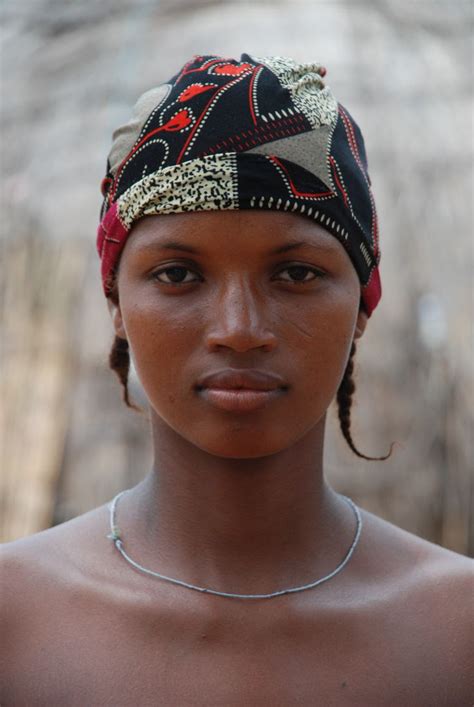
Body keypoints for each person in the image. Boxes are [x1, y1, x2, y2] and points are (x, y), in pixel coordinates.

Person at [1, 53, 472, 706]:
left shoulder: (455, 632)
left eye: (297, 273)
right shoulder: (15, 623)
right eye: (177, 274)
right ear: (116, 302)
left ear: (364, 301)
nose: (238, 328)